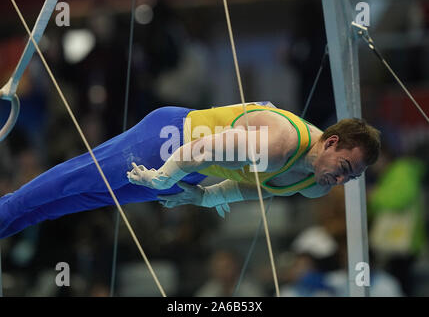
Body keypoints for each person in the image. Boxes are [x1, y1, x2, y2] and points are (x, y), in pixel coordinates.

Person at [0, 102, 381, 238]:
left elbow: (258, 189)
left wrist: (208, 196)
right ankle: (6, 210)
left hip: (187, 169)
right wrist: (165, 177)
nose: (342, 181)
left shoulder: (314, 185)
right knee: (69, 182)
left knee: (79, 200)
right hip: (169, 139)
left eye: (353, 177)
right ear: (331, 142)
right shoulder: (280, 144)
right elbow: (199, 148)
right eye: (345, 167)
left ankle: (8, 225)